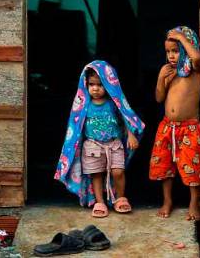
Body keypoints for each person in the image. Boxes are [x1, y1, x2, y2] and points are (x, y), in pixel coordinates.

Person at [55, 60, 145, 218]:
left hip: (114, 144)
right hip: (92, 146)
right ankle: (99, 201)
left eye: (100, 84)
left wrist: (131, 134)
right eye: (91, 84)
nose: (95, 88)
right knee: (96, 174)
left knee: (118, 172)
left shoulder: (113, 104)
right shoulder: (84, 105)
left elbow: (126, 118)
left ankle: (120, 198)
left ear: (109, 85)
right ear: (86, 84)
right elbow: (75, 128)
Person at [150, 26, 200, 221]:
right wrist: (160, 78)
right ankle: (167, 201)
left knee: (192, 165)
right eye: (168, 52)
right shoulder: (170, 72)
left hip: (189, 128)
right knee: (165, 166)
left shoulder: (195, 70)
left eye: (175, 50)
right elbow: (159, 98)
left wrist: (182, 37)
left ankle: (193, 202)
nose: (171, 56)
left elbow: (197, 58)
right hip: (167, 127)